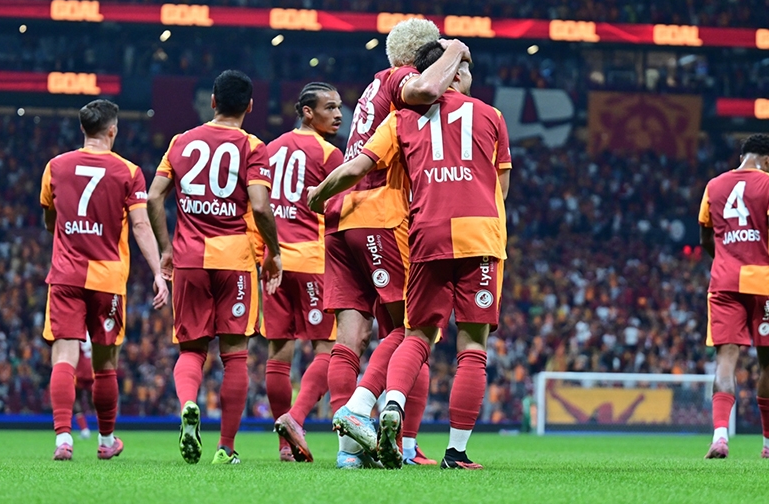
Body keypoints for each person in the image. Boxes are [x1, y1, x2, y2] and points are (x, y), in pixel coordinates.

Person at [308, 40, 511, 469]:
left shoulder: (401, 119)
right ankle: (455, 451)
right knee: (472, 345)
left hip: (424, 232)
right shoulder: (491, 115)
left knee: (413, 333)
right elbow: (502, 188)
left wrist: (319, 195)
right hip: (479, 235)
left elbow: (356, 167)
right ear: (456, 72)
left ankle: (383, 409)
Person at [147, 70, 282, 466]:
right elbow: (260, 206)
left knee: (191, 350)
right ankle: (226, 448)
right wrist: (273, 251)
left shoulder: (181, 141)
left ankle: (188, 404)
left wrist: (165, 248)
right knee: (235, 355)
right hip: (234, 260)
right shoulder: (252, 146)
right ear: (250, 106)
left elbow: (153, 198)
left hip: (189, 258)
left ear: (212, 101)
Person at [40, 99, 169, 461]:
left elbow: (50, 219)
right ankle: (107, 440)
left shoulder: (55, 166)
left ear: (83, 129)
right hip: (107, 279)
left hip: (66, 274)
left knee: (64, 355)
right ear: (113, 130)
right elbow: (140, 225)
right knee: (105, 363)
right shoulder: (128, 171)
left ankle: (63, 439)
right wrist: (158, 273)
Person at [258, 82, 344, 462]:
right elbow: (339, 211)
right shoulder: (329, 154)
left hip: (274, 262)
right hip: (312, 261)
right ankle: (295, 418)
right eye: (330, 108)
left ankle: (284, 448)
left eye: (339, 107)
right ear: (308, 112)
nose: (338, 115)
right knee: (327, 348)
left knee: (279, 352)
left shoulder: (269, 149)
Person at [699, 133, 769, 459]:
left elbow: (705, 237)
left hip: (724, 283)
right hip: (764, 284)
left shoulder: (713, 185)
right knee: (768, 363)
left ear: (743, 156)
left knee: (726, 360)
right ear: (768, 160)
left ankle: (720, 437)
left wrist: (726, 260)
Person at [73, 334, 94, 439]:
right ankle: (106, 431)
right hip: (94, 369)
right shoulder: (95, 330)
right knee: (94, 401)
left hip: (80, 371)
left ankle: (84, 429)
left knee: (75, 399)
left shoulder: (78, 332)